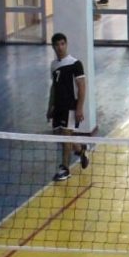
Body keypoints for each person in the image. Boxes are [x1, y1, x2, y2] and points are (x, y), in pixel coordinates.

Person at [47, 33, 89, 183]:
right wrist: (50, 107)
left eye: (62, 44)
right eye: (57, 45)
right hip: (58, 107)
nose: (60, 47)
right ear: (53, 47)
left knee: (65, 136)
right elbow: (53, 87)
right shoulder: (53, 65)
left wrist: (79, 108)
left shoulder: (75, 64)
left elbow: (82, 87)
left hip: (70, 106)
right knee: (61, 136)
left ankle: (65, 168)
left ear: (66, 44)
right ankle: (80, 150)